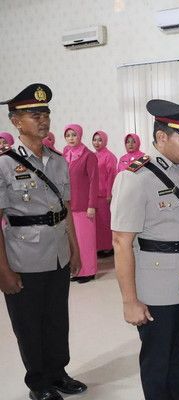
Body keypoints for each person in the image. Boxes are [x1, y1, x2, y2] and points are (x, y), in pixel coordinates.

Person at [111, 99, 179, 400]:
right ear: (162, 137)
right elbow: (121, 242)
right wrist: (130, 301)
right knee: (158, 360)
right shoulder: (134, 178)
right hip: (156, 287)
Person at [0, 83, 87, 400]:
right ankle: (38, 383)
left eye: (45, 114)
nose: (43, 120)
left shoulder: (58, 160)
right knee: (29, 324)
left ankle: (57, 373)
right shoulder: (3, 163)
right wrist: (3, 270)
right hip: (23, 257)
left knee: (56, 319)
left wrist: (75, 250)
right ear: (16, 121)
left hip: (58, 254)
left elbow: (65, 211)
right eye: (34, 115)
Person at [63, 124, 99, 283]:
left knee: (86, 240)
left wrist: (92, 205)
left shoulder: (88, 155)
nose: (71, 138)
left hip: (84, 206)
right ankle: (77, 270)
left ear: (80, 136)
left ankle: (88, 271)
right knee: (73, 240)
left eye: (74, 135)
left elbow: (93, 181)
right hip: (69, 205)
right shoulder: (65, 154)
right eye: (68, 135)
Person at [92, 130, 117, 256]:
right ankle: (99, 247)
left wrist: (109, 194)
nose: (96, 142)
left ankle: (108, 247)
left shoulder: (109, 156)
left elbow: (111, 176)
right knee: (97, 223)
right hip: (94, 195)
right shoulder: (92, 156)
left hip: (105, 196)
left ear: (105, 141)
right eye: (94, 140)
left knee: (106, 221)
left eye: (100, 140)